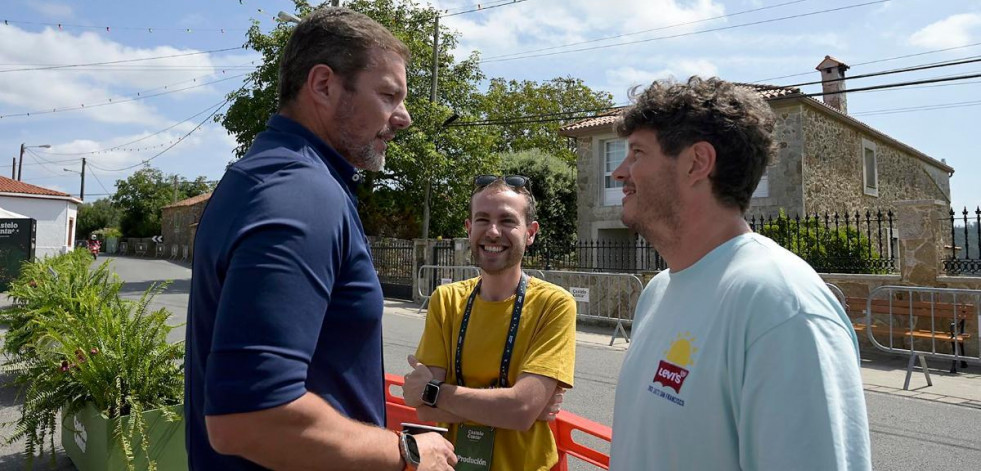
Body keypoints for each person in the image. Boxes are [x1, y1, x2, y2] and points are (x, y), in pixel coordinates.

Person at [184, 7, 456, 470]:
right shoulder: (300, 194)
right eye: (389, 95)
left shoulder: (267, 175)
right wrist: (407, 453)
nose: (404, 117)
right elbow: (248, 416)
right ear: (324, 85)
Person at [608, 77, 871, 470]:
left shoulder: (781, 305)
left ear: (697, 163)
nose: (619, 172)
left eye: (637, 153)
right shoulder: (658, 291)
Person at [403, 175, 577, 471]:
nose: (493, 232)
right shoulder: (445, 301)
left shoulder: (554, 304)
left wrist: (437, 391)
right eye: (482, 220)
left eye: (507, 220)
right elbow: (422, 410)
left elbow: (521, 410)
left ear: (530, 233)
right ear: (469, 229)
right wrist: (507, 405)